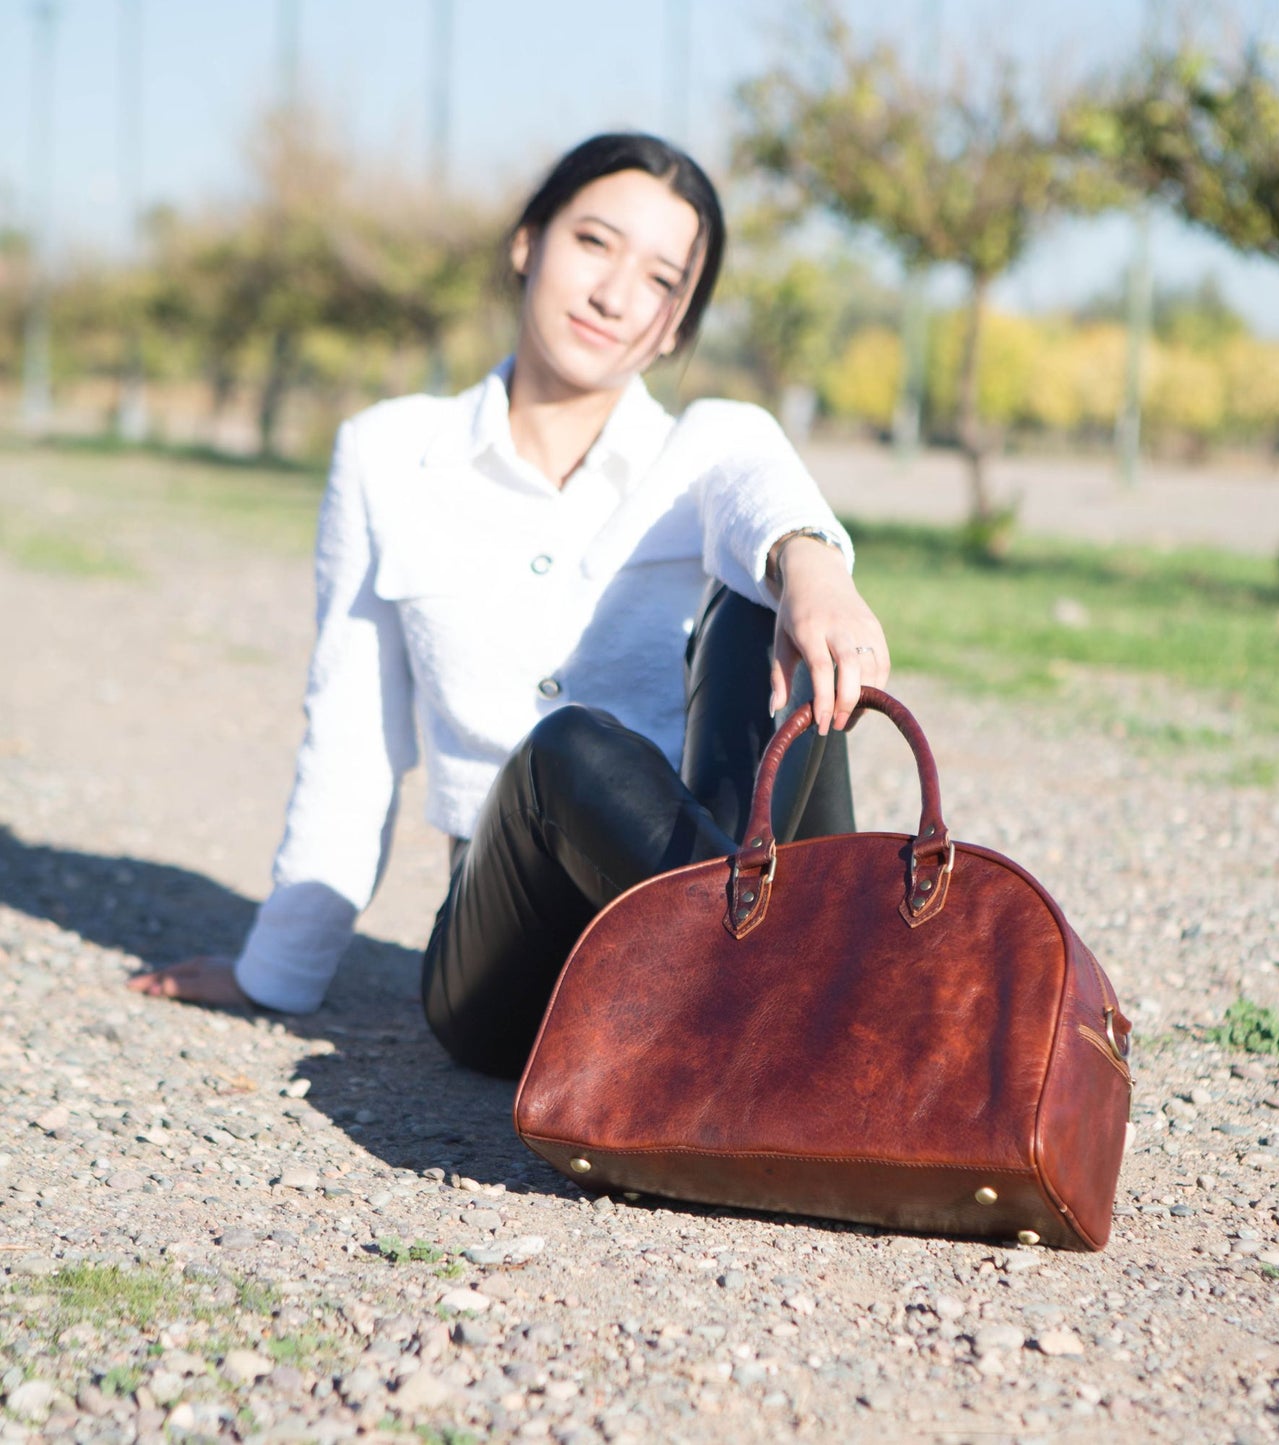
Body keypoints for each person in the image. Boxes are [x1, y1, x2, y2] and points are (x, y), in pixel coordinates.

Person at [128, 132, 891, 1075]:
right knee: (565, 746)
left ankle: (765, 999)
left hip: (704, 876)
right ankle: (833, 1018)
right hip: (506, 963)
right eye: (594, 243)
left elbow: (765, 495)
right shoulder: (389, 454)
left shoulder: (709, 445)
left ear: (679, 325)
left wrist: (812, 569)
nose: (616, 294)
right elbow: (352, 734)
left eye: (662, 280)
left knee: (765, 610)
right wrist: (277, 970)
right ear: (528, 241)